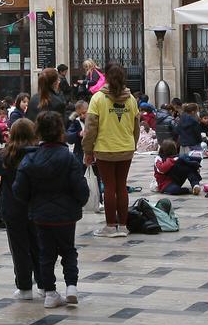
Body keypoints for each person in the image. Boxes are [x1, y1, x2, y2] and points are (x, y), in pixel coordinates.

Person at [14, 111, 90, 309]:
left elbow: (19, 189)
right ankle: (71, 287)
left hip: (41, 216)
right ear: (61, 132)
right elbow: (81, 188)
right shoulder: (69, 157)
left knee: (45, 254)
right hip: (66, 216)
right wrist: (77, 203)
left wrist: (31, 202)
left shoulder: (30, 159)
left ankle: (50, 293)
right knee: (69, 251)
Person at [83, 63, 139, 238]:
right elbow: (136, 127)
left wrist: (87, 151)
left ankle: (110, 226)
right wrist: (133, 144)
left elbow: (91, 128)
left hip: (105, 149)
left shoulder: (98, 98)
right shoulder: (131, 99)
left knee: (109, 187)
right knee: (121, 186)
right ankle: (123, 226)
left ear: (105, 76)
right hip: (126, 148)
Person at [0, 118, 41, 301]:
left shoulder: (7, 155)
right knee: (38, 246)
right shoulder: (38, 153)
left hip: (12, 208)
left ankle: (25, 287)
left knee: (19, 249)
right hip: (36, 207)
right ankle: (43, 284)